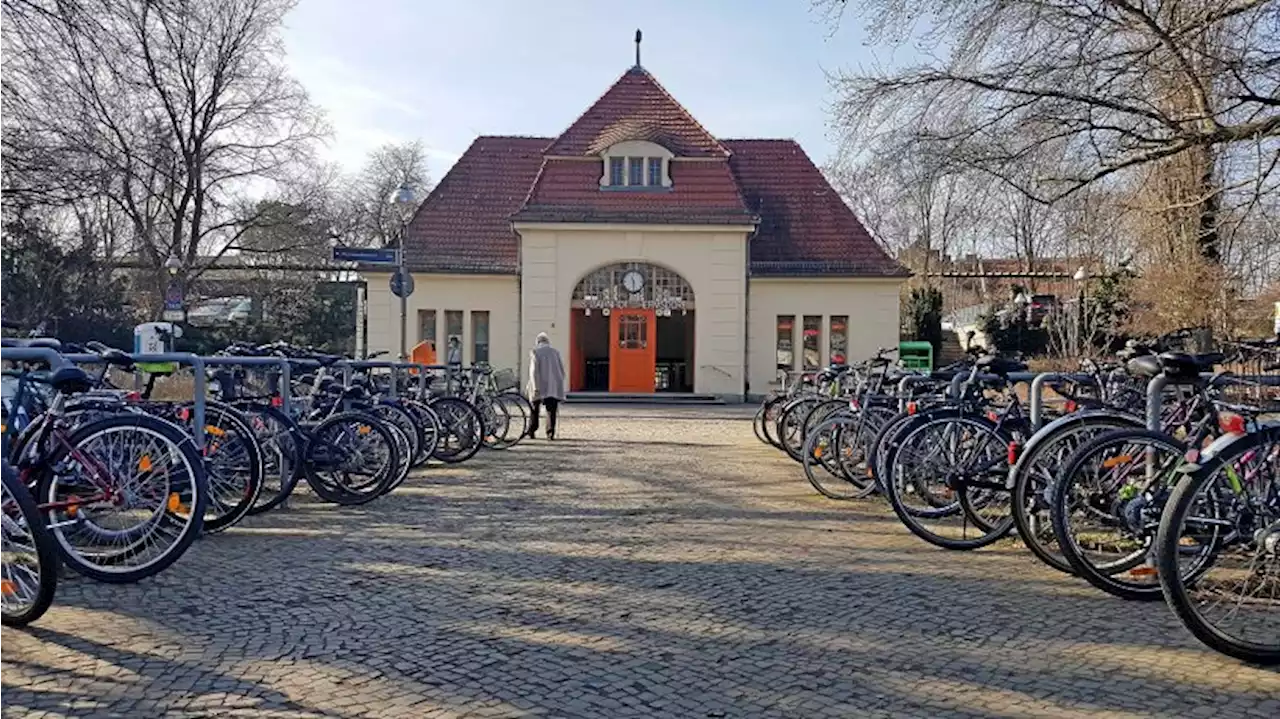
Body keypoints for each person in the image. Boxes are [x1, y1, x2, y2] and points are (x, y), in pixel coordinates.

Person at [527, 332, 566, 439]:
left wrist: (535, 387)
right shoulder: (555, 352)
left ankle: (532, 430)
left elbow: (533, 371)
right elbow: (561, 370)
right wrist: (560, 385)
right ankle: (550, 433)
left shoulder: (535, 352)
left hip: (539, 384)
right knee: (551, 409)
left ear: (537, 341)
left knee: (534, 409)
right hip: (552, 386)